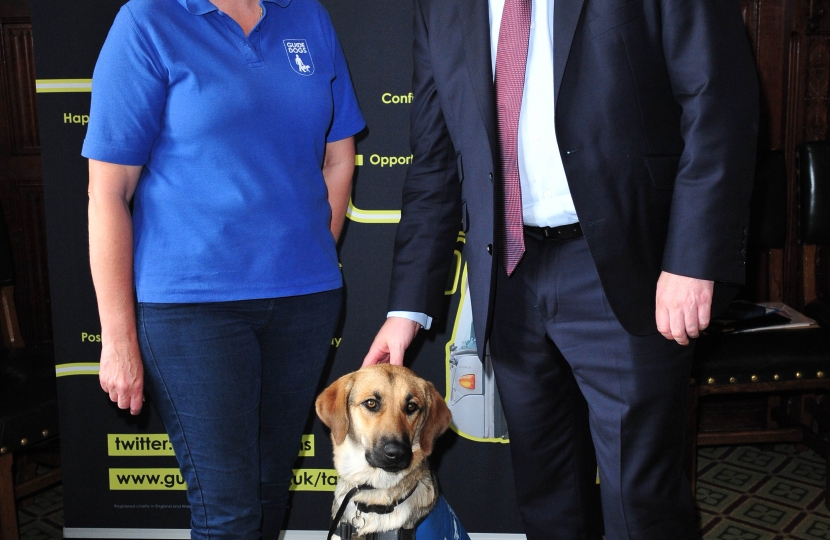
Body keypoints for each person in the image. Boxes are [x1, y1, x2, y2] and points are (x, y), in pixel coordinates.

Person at [363, 0, 758, 538]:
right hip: (509, 276)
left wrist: (691, 260)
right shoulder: (440, 8)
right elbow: (435, 160)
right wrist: (405, 310)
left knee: (640, 498)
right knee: (548, 496)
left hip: (627, 271)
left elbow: (718, 103)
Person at [83, 0, 365, 539]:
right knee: (228, 513)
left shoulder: (307, 16)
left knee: (268, 492)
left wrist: (311, 247)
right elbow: (107, 192)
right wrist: (117, 340)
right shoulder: (148, 21)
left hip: (305, 303)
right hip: (191, 309)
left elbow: (338, 154)